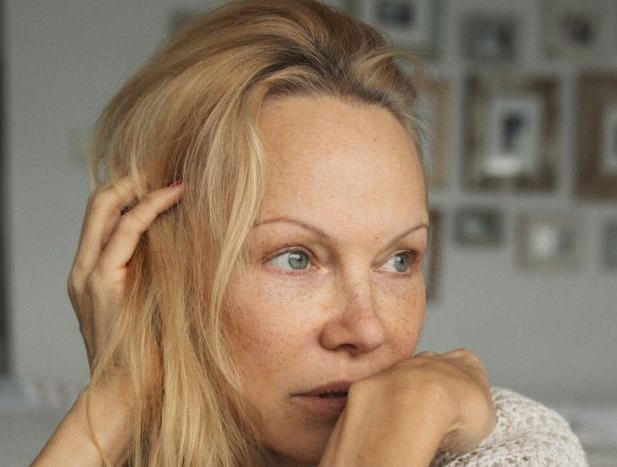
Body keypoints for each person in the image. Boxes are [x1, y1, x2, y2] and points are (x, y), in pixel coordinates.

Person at [33, 0, 587, 465]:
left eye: (399, 259)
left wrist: (407, 420)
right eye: (296, 257)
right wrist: (118, 392)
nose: (366, 329)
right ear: (164, 263)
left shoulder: (511, 447)